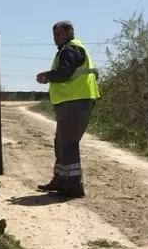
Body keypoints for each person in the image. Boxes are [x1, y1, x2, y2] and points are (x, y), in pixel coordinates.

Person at [35, 20, 101, 197]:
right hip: (74, 102)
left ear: (69, 32)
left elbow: (65, 73)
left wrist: (47, 76)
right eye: (54, 34)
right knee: (61, 142)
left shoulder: (70, 49)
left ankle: (73, 186)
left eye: (58, 34)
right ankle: (61, 180)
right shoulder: (72, 49)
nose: (55, 38)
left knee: (68, 144)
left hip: (75, 102)